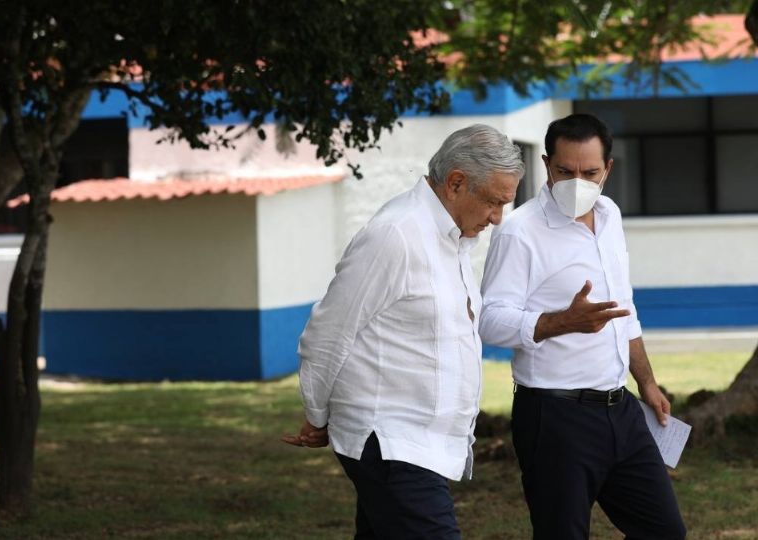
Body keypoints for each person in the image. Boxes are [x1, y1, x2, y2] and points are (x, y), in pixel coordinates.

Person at [282, 123, 522, 539]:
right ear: (456, 183)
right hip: (391, 441)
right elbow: (328, 334)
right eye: (493, 203)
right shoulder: (396, 234)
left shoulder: (451, 238)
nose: (498, 219)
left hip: (417, 444)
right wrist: (317, 414)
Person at [479, 113, 686, 539]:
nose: (578, 182)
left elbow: (623, 308)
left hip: (622, 409)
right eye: (564, 171)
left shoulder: (610, 216)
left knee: (665, 531)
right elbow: (489, 321)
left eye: (590, 172)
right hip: (554, 417)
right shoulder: (519, 231)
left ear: (608, 169)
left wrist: (646, 383)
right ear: (546, 165)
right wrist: (560, 322)